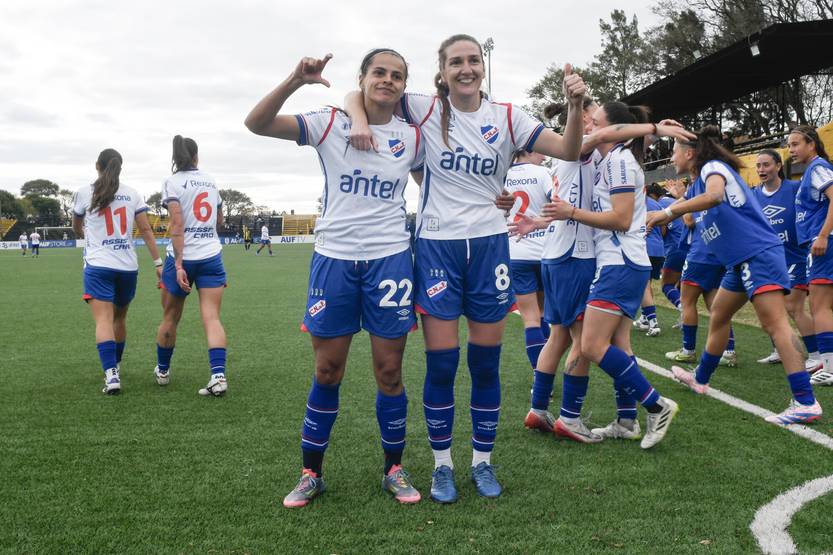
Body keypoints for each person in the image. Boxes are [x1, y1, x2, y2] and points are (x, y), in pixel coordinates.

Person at [345, 34, 588, 501]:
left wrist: (574, 105)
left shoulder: (509, 117)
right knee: (442, 364)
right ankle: (441, 465)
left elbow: (571, 149)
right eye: (456, 62)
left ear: (482, 67)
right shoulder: (424, 107)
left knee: (485, 364)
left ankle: (482, 462)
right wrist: (357, 116)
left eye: (473, 60)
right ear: (442, 70)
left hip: (491, 249)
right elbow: (361, 92)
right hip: (437, 248)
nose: (466, 69)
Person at [245, 49, 424, 507]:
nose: (388, 80)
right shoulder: (330, 122)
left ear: (404, 84)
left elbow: (438, 184)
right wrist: (294, 80)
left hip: (390, 260)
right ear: (362, 78)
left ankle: (394, 468)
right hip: (334, 260)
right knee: (328, 370)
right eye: (379, 72)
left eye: (397, 75)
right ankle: (311, 473)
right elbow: (257, 124)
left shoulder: (413, 135)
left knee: (389, 371)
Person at [510, 102, 694, 444]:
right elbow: (611, 134)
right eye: (587, 118)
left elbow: (614, 141)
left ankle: (615, 418)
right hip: (578, 255)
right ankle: (574, 417)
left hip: (585, 255)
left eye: (594, 119)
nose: (591, 123)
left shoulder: (609, 158)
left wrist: (550, 217)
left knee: (572, 337)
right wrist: (652, 127)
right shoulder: (582, 147)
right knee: (584, 341)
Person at [648, 126, 822, 425]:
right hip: (740, 261)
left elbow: (715, 197)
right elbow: (696, 210)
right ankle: (700, 379)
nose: (671, 156)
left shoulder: (714, 168)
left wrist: (666, 213)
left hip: (757, 254)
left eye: (674, 150)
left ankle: (805, 401)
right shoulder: (697, 182)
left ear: (690, 153)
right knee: (718, 314)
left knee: (776, 324)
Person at [72, 148, 163, 394]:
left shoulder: (82, 192)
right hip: (127, 267)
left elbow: (76, 227)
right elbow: (145, 231)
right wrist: (158, 263)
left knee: (103, 320)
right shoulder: (132, 194)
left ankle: (111, 375)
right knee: (119, 318)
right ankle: (117, 365)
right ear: (120, 168)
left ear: (96, 166)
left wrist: (88, 235)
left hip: (98, 265)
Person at [154, 135, 229, 397]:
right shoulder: (211, 181)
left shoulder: (172, 182)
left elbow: (176, 224)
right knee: (211, 317)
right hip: (211, 256)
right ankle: (218, 376)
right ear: (196, 156)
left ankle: (163, 371)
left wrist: (178, 264)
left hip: (182, 259)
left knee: (170, 317)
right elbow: (219, 219)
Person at [752, 149, 820, 371]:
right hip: (768, 257)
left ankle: (817, 355)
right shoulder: (754, 194)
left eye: (766, 165)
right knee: (769, 308)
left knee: (793, 306)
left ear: (778, 166)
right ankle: (780, 350)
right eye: (759, 166)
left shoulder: (794, 188)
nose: (762, 170)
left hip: (794, 255)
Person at [790, 125, 833, 386]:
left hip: (825, 244)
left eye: (796, 144)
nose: (791, 149)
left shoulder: (818, 168)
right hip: (821, 244)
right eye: (789, 144)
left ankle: (829, 365)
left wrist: (823, 235)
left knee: (820, 306)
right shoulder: (813, 170)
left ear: (811, 145)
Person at [504, 150, 551, 383]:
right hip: (545, 251)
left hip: (516, 250)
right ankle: (545, 372)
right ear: (528, 150)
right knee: (543, 314)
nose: (544, 155)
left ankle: (539, 376)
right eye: (541, 150)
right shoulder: (544, 173)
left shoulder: (502, 174)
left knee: (531, 319)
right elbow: (559, 205)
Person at [633, 183, 666, 337]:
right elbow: (664, 227)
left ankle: (652, 321)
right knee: (646, 284)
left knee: (642, 285)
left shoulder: (632, 202)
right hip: (658, 249)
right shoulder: (657, 204)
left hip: (642, 247)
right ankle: (646, 317)